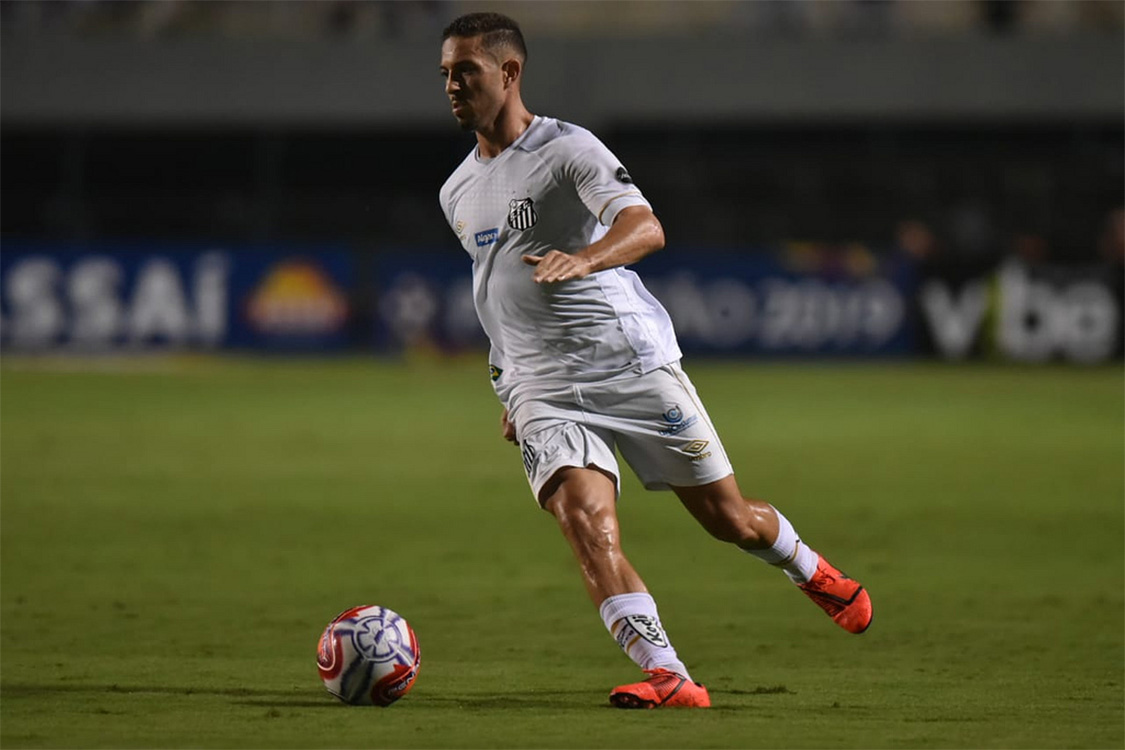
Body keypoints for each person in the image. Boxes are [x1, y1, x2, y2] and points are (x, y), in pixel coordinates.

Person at [438, 12, 872, 709]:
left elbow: (645, 226)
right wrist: (508, 386)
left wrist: (585, 257)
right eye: (446, 74)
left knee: (728, 519)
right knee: (584, 521)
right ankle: (668, 674)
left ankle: (808, 568)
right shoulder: (456, 189)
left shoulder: (567, 149)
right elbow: (494, 291)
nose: (453, 86)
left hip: (627, 362)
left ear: (509, 72)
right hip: (543, 386)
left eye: (466, 71)